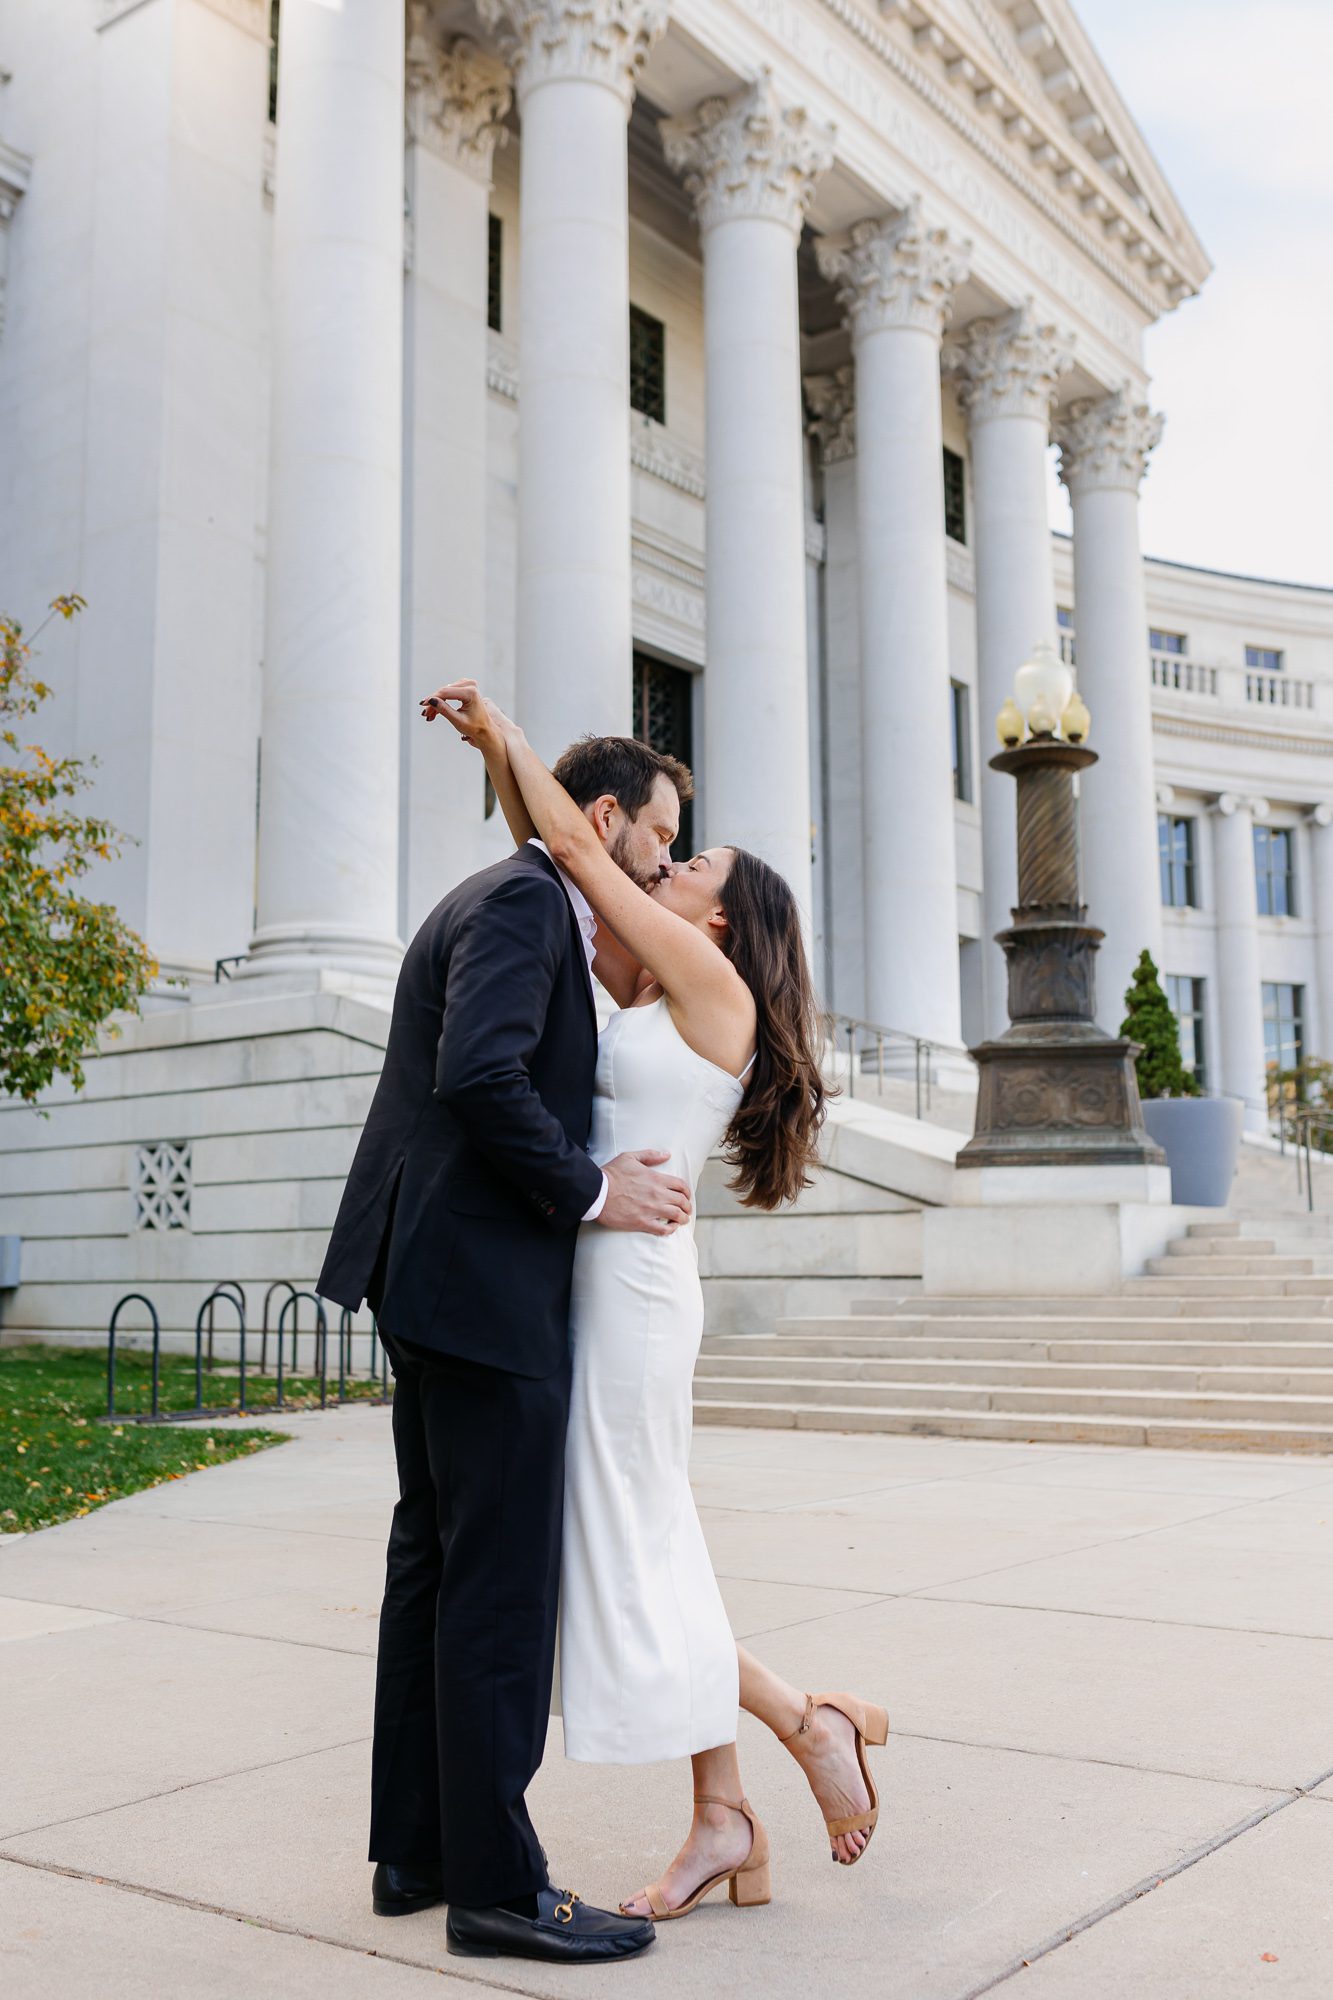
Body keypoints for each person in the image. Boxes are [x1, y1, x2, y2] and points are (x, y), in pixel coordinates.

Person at [427, 679, 890, 1925]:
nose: (673, 863)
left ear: (724, 918)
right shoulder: (656, 987)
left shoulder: (708, 980)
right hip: (599, 1270)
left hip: (629, 1284)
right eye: (673, 846)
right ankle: (736, 1797)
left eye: (694, 863)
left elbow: (580, 841)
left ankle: (799, 1726)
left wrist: (501, 736)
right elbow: (571, 874)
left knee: (625, 1542)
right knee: (643, 1540)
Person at [317, 730, 700, 1966]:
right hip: (480, 1290)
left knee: (432, 1564)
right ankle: (496, 1886)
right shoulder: (530, 902)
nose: (663, 857)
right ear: (602, 815)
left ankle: (417, 1849)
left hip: (434, 1279)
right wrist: (591, 1189)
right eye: (659, 833)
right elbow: (481, 1074)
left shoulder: (504, 895)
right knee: (493, 1588)